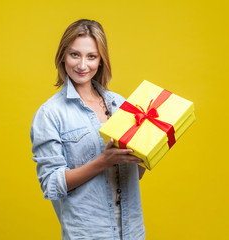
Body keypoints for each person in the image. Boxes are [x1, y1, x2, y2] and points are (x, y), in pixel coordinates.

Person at [30, 19, 146, 240]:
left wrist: (146, 151)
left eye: (91, 56)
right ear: (62, 56)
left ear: (101, 60)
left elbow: (134, 175)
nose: (83, 65)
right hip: (88, 234)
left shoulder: (120, 105)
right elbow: (51, 184)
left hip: (132, 231)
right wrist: (102, 162)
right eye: (75, 54)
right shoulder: (50, 114)